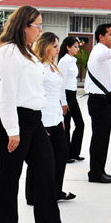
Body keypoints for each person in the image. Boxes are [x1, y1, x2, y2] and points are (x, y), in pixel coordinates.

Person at [0, 6, 70, 223]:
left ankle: (50, 221)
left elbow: (34, 90)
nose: (40, 30)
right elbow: (6, 94)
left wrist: (37, 121)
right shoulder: (8, 52)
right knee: (9, 176)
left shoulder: (28, 53)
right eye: (38, 26)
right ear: (24, 26)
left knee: (46, 166)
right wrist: (13, 131)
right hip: (10, 118)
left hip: (32, 118)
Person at [26, 32, 75, 205]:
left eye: (58, 45)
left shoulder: (53, 66)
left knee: (61, 153)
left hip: (55, 117)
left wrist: (61, 112)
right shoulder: (38, 67)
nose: (58, 49)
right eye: (54, 46)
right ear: (45, 46)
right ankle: (33, 195)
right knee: (39, 159)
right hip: (43, 119)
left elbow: (59, 90)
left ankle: (55, 190)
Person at [85, 23, 111, 183]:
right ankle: (95, 173)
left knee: (103, 138)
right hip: (98, 101)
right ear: (101, 37)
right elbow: (108, 54)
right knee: (99, 138)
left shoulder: (106, 53)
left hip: (105, 100)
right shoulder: (99, 50)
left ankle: (99, 169)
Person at [58, 36, 85, 163]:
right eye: (75, 46)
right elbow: (61, 83)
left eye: (78, 46)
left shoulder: (72, 60)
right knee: (66, 126)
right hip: (66, 95)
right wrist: (63, 103)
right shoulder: (64, 61)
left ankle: (74, 152)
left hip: (73, 95)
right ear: (68, 47)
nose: (77, 49)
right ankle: (65, 154)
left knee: (80, 124)